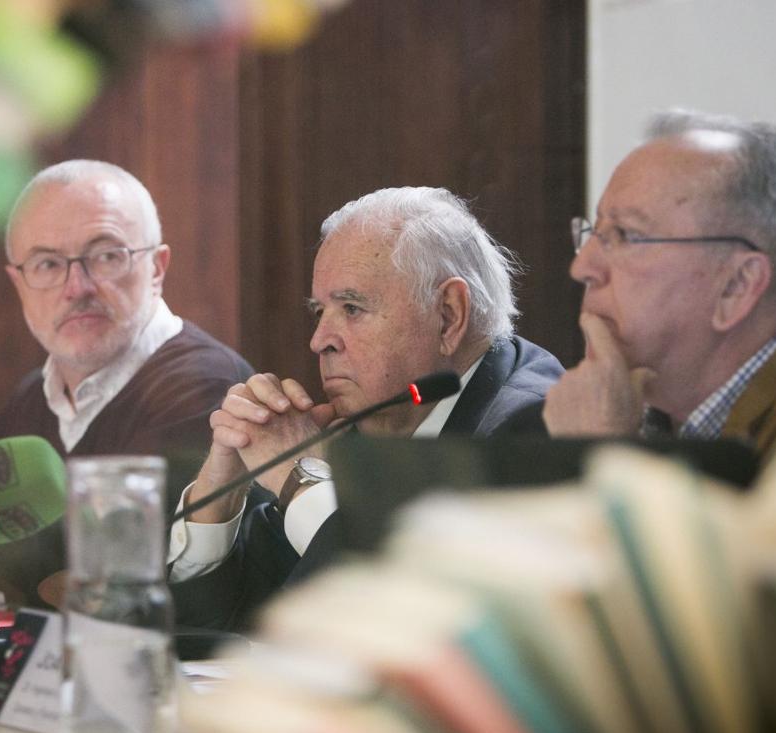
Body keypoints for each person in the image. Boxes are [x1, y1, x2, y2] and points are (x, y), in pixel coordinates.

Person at [170, 186, 564, 630]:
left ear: (449, 316)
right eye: (320, 311)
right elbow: (205, 637)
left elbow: (422, 630)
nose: (320, 340)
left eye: (352, 308)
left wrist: (298, 482)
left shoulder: (534, 431)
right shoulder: (371, 418)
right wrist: (218, 495)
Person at [0, 160, 252, 604]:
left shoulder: (206, 387)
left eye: (106, 256)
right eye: (47, 263)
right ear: (19, 283)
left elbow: (104, 571)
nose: (77, 287)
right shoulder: (35, 396)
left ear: (157, 267)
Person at [543, 109, 776, 457]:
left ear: (736, 286)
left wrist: (605, 453)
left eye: (626, 234)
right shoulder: (654, 404)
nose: (583, 267)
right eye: (597, 230)